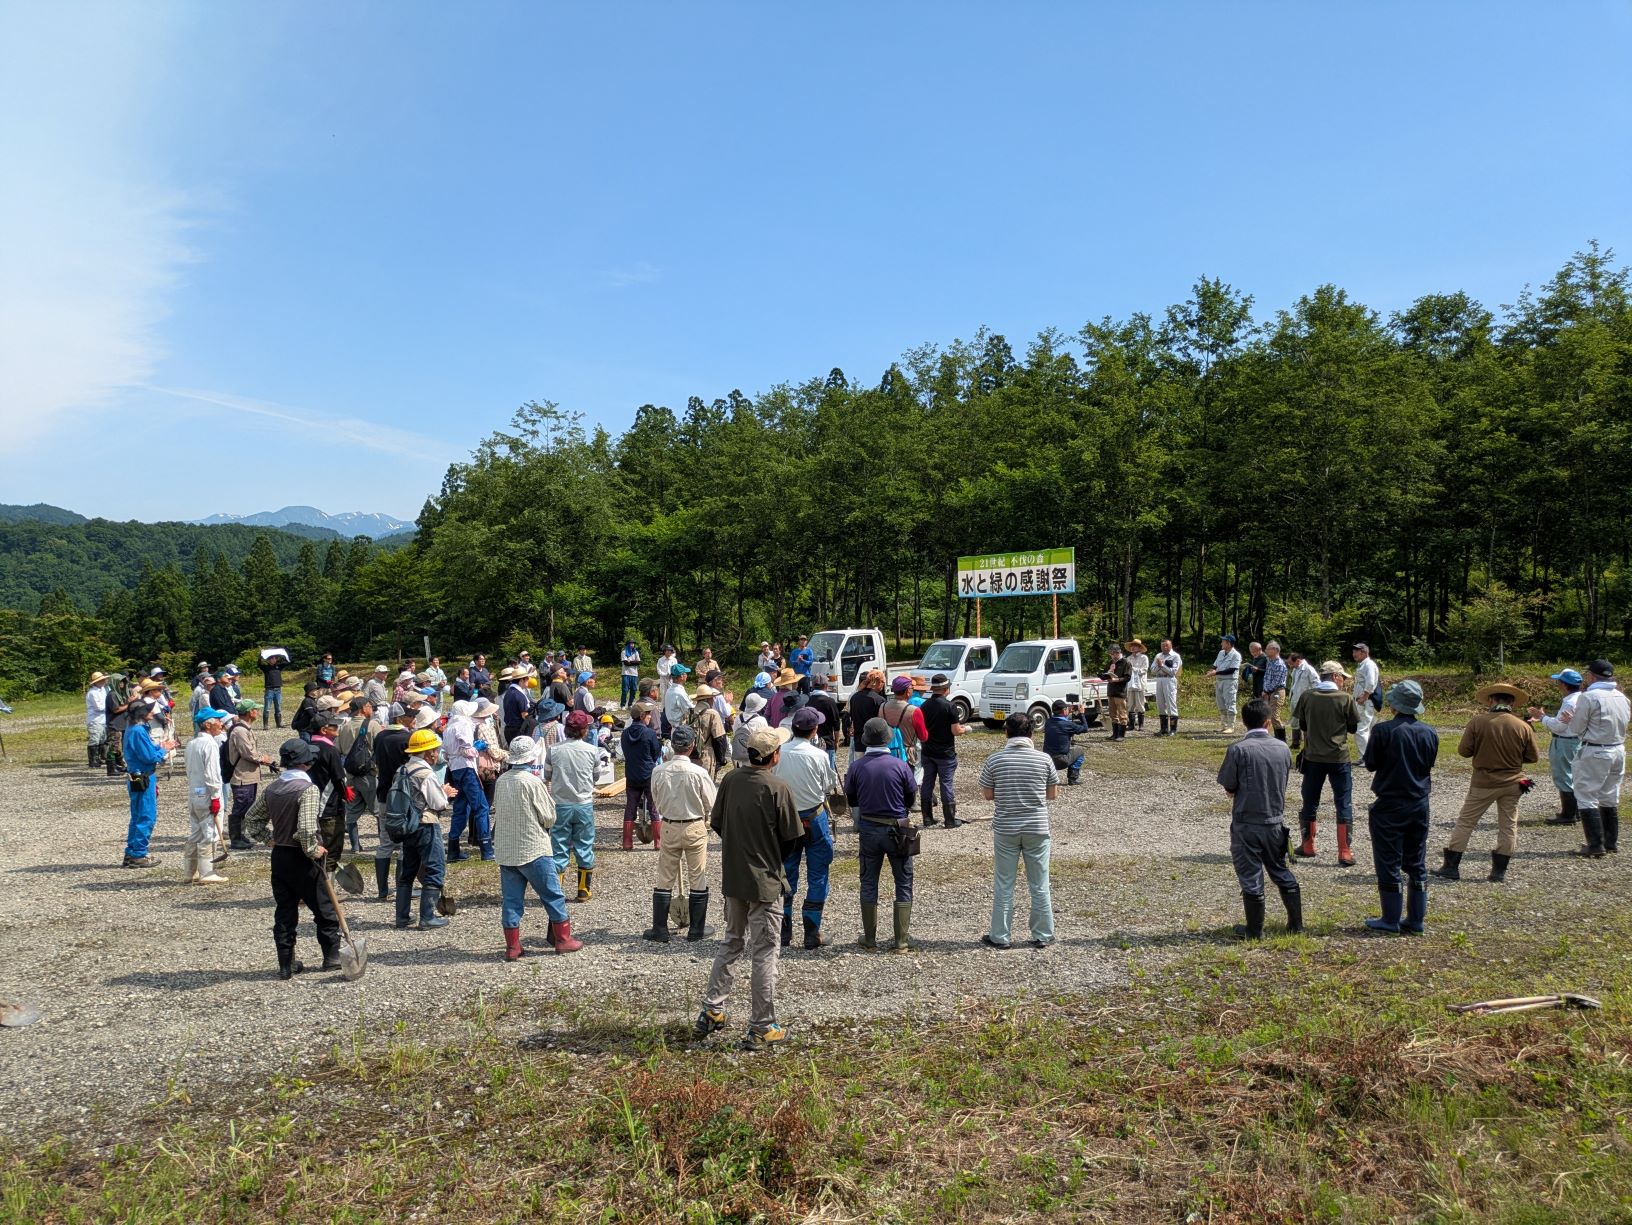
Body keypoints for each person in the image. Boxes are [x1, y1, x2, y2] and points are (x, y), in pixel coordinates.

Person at [694, 724, 802, 1050]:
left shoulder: (730, 779)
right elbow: (792, 838)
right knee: (765, 952)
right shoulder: (777, 787)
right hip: (765, 880)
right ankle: (761, 1025)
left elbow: (718, 823)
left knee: (731, 941)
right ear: (774, 756)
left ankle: (713, 1009)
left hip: (734, 877)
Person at [244, 739, 341, 978]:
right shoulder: (307, 789)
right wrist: (313, 850)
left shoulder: (273, 788)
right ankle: (331, 958)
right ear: (307, 763)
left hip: (280, 856)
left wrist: (269, 838)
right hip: (302, 858)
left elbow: (251, 819)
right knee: (324, 909)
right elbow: (307, 828)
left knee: (285, 911)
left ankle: (286, 964)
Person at [1432, 681, 1538, 881]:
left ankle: (1451, 867)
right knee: (1508, 825)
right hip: (1513, 782)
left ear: (1491, 700)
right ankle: (1498, 872)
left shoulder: (1477, 722)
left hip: (1483, 782)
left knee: (1466, 822)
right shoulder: (1523, 726)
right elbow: (1533, 757)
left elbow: (1464, 751)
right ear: (1513, 703)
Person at [1215, 698, 1301, 939]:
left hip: (1246, 822)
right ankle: (1296, 924)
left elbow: (1229, 786)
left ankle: (1255, 930)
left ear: (1243, 722)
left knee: (1251, 875)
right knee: (1280, 870)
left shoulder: (1237, 749)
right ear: (1268, 723)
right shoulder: (1283, 748)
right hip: (1275, 820)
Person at [491, 736, 582, 958]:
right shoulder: (532, 782)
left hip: (507, 850)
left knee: (512, 901)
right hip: (533, 848)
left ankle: (512, 946)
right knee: (552, 894)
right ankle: (562, 939)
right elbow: (549, 817)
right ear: (531, 758)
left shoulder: (502, 780)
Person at [1361, 680, 1439, 933]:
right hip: (1419, 801)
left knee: (1388, 861)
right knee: (1416, 861)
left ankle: (1390, 918)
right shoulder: (1430, 732)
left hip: (1391, 802)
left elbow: (1371, 763)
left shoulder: (1383, 731)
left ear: (1394, 705)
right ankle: (1416, 919)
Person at [979, 711, 1059, 949]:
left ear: (1006, 732)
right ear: (1032, 733)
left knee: (1004, 883)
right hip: (1037, 826)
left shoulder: (995, 760)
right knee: (1040, 883)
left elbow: (988, 794)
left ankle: (1000, 935)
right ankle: (1043, 934)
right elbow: (1052, 794)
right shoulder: (1044, 760)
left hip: (1006, 827)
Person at [845, 717, 918, 952]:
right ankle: (901, 941)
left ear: (866, 740)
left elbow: (852, 799)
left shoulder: (856, 767)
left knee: (868, 881)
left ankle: (870, 939)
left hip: (869, 827)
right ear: (887, 738)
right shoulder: (900, 765)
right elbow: (911, 797)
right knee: (903, 880)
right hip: (898, 828)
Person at [646, 724, 720, 942]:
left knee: (665, 875)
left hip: (669, 824)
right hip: (694, 825)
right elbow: (712, 802)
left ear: (672, 746)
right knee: (697, 875)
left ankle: (660, 929)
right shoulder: (699, 773)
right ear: (692, 746)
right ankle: (696, 929)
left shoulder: (659, 771)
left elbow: (656, 799)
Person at [774, 706, 840, 948]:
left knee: (786, 873)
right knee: (819, 872)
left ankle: (783, 931)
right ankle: (812, 932)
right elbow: (828, 784)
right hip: (814, 816)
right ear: (814, 730)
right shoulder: (819, 755)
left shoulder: (780, 753)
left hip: (787, 818)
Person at [1292, 660, 1360, 865]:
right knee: (1343, 801)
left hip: (1313, 757)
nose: (1344, 682)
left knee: (1310, 800)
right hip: (1339, 757)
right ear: (1336, 677)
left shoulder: (1307, 697)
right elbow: (1353, 728)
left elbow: (1302, 724)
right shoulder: (1345, 699)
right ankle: (1344, 851)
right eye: (1343, 678)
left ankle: (1308, 845)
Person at [1561, 658, 1629, 859]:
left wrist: (1570, 720)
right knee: (1609, 794)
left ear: (1591, 676)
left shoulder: (1588, 697)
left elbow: (1576, 728)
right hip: (1618, 748)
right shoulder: (1621, 697)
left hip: (1595, 750)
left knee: (1586, 795)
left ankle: (1595, 844)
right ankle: (1611, 842)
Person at [392, 729, 458, 929]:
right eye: (435, 751)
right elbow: (438, 804)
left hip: (406, 825)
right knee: (435, 868)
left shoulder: (402, 770)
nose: (437, 754)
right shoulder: (425, 774)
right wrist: (445, 792)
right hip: (426, 824)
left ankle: (402, 916)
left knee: (408, 870)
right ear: (429, 753)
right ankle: (427, 916)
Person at [546, 710, 600, 901]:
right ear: (585, 730)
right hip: (584, 803)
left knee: (559, 846)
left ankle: (557, 890)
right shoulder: (592, 751)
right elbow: (596, 776)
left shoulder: (553, 750)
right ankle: (583, 890)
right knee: (584, 844)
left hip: (561, 803)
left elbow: (547, 775)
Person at [116, 698, 174, 868]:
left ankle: (131, 852)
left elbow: (146, 751)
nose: (152, 713)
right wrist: (165, 749)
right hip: (144, 776)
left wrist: (160, 746)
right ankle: (138, 854)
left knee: (137, 815)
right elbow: (149, 757)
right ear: (141, 713)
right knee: (146, 816)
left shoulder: (133, 729)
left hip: (135, 775)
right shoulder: (138, 731)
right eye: (148, 710)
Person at [369, 700, 415, 900]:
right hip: (403, 793)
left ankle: (382, 890)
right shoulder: (408, 738)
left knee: (385, 841)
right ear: (399, 718)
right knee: (405, 841)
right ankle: (402, 888)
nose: (412, 719)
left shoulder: (380, 737)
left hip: (383, 792)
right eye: (409, 715)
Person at [1529, 669, 1585, 827]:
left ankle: (1568, 814)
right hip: (1576, 740)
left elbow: (1559, 727)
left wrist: (1542, 717)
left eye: (1559, 682)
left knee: (1563, 776)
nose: (1557, 684)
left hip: (1565, 741)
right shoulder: (1580, 698)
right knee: (1575, 777)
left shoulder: (1569, 702)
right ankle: (1577, 811)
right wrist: (1546, 718)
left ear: (1564, 685)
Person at [184, 707, 231, 884]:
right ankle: (207, 872)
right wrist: (215, 797)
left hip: (194, 792)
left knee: (196, 831)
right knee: (210, 832)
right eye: (217, 721)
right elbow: (212, 774)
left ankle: (190, 872)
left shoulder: (192, 743)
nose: (220, 724)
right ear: (208, 724)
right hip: (207, 793)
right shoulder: (209, 744)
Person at [443, 700, 494, 862]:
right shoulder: (463, 724)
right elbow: (466, 751)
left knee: (460, 808)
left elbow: (445, 753)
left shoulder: (449, 726)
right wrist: (478, 747)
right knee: (481, 807)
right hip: (467, 768)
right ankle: (486, 849)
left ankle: (453, 850)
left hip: (454, 768)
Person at [918, 674, 966, 827]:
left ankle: (927, 818)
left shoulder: (924, 705)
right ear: (946, 689)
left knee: (927, 782)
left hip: (928, 750)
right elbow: (955, 731)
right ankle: (950, 820)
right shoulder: (949, 706)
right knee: (946, 783)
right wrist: (966, 729)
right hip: (945, 752)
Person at [226, 699, 274, 850]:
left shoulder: (245, 728)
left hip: (248, 775)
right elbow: (248, 753)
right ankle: (236, 839)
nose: (257, 712)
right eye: (255, 709)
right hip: (242, 776)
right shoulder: (240, 731)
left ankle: (241, 835)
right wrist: (263, 759)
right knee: (241, 806)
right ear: (249, 712)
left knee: (247, 806)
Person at [337, 696, 378, 856]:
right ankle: (385, 842)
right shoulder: (372, 725)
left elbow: (338, 749)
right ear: (363, 709)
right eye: (369, 706)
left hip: (351, 775)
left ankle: (355, 846)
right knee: (378, 811)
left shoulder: (344, 727)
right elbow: (379, 747)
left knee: (352, 812)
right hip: (369, 774)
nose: (372, 708)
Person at [621, 701, 664, 850]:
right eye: (648, 715)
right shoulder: (649, 733)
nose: (650, 717)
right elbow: (656, 752)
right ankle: (658, 842)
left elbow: (625, 752)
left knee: (630, 807)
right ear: (642, 716)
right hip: (648, 774)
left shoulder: (625, 733)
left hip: (632, 774)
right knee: (653, 806)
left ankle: (627, 842)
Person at [1042, 699, 1092, 785]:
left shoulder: (1048, 722)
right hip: (1060, 761)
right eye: (1066, 709)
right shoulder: (1068, 725)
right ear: (1064, 710)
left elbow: (1059, 721)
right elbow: (1085, 728)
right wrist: (1081, 714)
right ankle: (1073, 778)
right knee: (1079, 751)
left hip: (1047, 760)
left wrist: (1067, 711)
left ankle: (1048, 777)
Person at [686, 683, 731, 778]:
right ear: (708, 699)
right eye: (712, 698)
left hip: (690, 754)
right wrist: (721, 759)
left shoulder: (689, 713)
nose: (713, 700)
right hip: (706, 755)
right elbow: (720, 739)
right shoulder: (712, 714)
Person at [1204, 635, 1242, 733]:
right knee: (1220, 703)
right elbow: (1215, 665)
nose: (1221, 643)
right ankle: (1224, 725)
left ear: (1228, 643)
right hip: (1219, 680)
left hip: (1230, 681)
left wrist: (1215, 672)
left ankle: (1231, 726)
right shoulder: (1221, 653)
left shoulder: (1236, 655)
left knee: (1230, 702)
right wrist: (1211, 671)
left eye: (1223, 642)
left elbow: (1232, 670)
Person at [1351, 643, 1382, 758]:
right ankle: (1367, 756)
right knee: (1367, 730)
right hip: (1362, 701)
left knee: (1360, 730)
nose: (1354, 654)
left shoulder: (1368, 664)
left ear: (1364, 652)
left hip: (1365, 702)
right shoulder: (1362, 665)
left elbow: (1371, 682)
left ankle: (1365, 758)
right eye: (1353, 651)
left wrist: (1364, 697)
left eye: (1356, 652)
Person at [1287, 650, 1321, 750]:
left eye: (1291, 663)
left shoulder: (1309, 669)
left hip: (1305, 701)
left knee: (1306, 723)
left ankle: (1308, 745)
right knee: (1294, 721)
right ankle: (1295, 743)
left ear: (1297, 661)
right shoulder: (1295, 669)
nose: (1290, 665)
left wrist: (1311, 697)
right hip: (1294, 699)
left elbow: (1317, 684)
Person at [1102, 644, 1133, 741]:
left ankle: (1121, 735)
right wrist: (1109, 671)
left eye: (1114, 654)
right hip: (1111, 691)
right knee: (1113, 714)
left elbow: (1127, 677)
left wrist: (1117, 679)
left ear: (1118, 653)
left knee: (1122, 714)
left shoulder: (1126, 662)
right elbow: (1104, 674)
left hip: (1120, 692)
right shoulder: (1110, 662)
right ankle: (1115, 734)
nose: (1112, 656)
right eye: (1111, 654)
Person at [1152, 639, 1182, 736]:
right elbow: (1152, 670)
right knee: (1160, 703)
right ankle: (1163, 729)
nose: (1165, 647)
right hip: (1159, 679)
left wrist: (1162, 666)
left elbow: (1173, 671)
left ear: (1171, 646)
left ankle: (1173, 729)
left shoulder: (1175, 656)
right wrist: (1159, 666)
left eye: (1166, 645)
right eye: (1163, 646)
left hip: (1169, 680)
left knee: (1170, 702)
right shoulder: (1158, 656)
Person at [1260, 642, 1289, 741]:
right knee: (1268, 716)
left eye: (1268, 649)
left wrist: (1266, 691)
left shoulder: (1279, 664)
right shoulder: (1270, 662)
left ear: (1275, 650)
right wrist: (1265, 691)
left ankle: (1282, 740)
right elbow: (1267, 678)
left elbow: (1277, 682)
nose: (1265, 651)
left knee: (1274, 717)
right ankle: (1275, 738)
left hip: (1277, 692)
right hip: (1268, 692)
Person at [732, 692, 770, 764]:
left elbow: (735, 734)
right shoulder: (761, 720)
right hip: (756, 759)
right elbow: (765, 740)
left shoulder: (738, 718)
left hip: (741, 756)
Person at [85, 671, 110, 769]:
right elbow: (98, 707)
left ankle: (99, 758)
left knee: (102, 739)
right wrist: (110, 706)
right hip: (95, 719)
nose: (103, 681)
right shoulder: (92, 693)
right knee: (94, 739)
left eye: (103, 679)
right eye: (101, 680)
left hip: (103, 719)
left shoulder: (103, 689)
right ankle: (92, 760)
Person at [1125, 638, 1149, 732]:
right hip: (1130, 684)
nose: (1132, 647)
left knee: (1140, 704)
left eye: (1134, 646)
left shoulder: (1144, 658)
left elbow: (1144, 669)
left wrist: (1134, 669)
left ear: (1139, 647)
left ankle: (1141, 725)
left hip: (1139, 684)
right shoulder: (1128, 658)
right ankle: (1131, 724)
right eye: (1131, 646)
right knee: (1130, 704)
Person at [259, 652, 287, 728]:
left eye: (275, 658)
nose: (274, 660)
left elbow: (287, 662)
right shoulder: (266, 668)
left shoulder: (278, 667)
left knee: (278, 707)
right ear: (268, 660)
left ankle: (279, 724)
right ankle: (265, 725)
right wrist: (260, 655)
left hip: (278, 690)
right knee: (267, 708)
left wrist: (283, 655)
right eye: (272, 658)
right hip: (269, 690)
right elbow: (259, 664)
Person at [662, 663, 692, 736]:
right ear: (681, 676)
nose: (686, 675)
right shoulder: (679, 693)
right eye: (685, 673)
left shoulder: (669, 690)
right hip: (681, 730)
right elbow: (690, 709)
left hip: (674, 728)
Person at [619, 640, 642, 709]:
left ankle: (630, 704)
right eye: (631, 643)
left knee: (634, 689)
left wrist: (630, 662)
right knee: (625, 690)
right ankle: (623, 705)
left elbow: (639, 662)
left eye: (633, 643)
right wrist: (634, 662)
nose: (632, 645)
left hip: (634, 674)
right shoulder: (624, 652)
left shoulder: (636, 652)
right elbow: (626, 663)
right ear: (627, 645)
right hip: (626, 673)